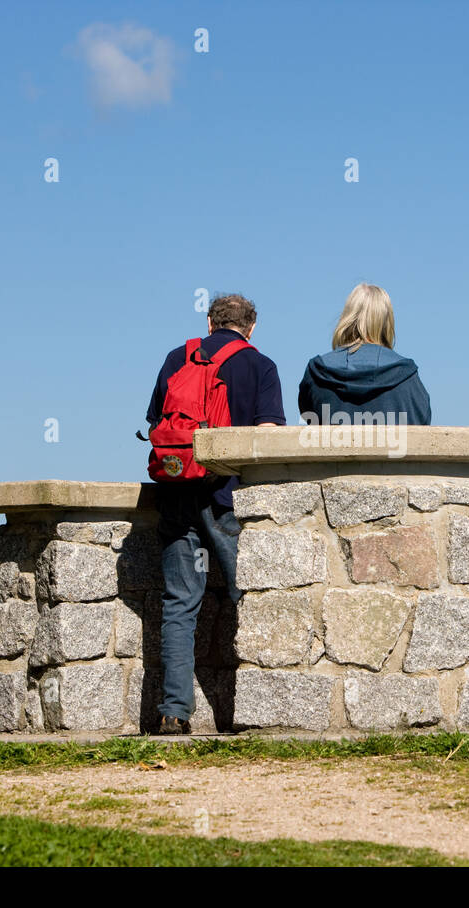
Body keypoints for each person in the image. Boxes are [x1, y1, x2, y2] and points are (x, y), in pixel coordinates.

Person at [144, 293, 284, 734]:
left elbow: (155, 424)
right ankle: (256, 712)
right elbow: (268, 439)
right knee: (252, 597)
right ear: (252, 327)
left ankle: (173, 713)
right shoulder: (260, 366)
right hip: (228, 500)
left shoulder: (176, 357)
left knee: (180, 603)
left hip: (177, 491)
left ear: (209, 322)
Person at [297, 283, 431, 425]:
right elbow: (422, 420)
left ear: (347, 317)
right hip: (393, 446)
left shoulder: (317, 373)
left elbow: (308, 416)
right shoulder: (408, 378)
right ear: (386, 322)